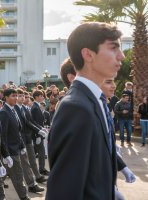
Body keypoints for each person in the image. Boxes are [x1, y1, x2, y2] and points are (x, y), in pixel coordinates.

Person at [47, 22, 125, 200]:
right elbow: (64, 192)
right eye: (113, 48)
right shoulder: (76, 108)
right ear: (88, 54)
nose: (121, 56)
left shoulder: (95, 101)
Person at [0, 88, 30, 200]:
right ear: (6, 97)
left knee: (2, 176)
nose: (16, 98)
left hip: (16, 148)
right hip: (10, 151)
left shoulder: (13, 110)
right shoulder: (4, 112)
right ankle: (24, 197)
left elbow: (17, 130)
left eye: (16, 95)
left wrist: (21, 146)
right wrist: (6, 154)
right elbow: (3, 136)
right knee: (18, 175)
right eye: (13, 96)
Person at [31, 90, 49, 176]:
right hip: (37, 134)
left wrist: (42, 128)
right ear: (37, 97)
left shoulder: (37, 106)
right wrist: (37, 134)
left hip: (39, 132)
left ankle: (41, 169)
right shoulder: (34, 107)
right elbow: (34, 121)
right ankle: (41, 169)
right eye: (41, 96)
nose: (43, 97)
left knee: (39, 152)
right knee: (41, 152)